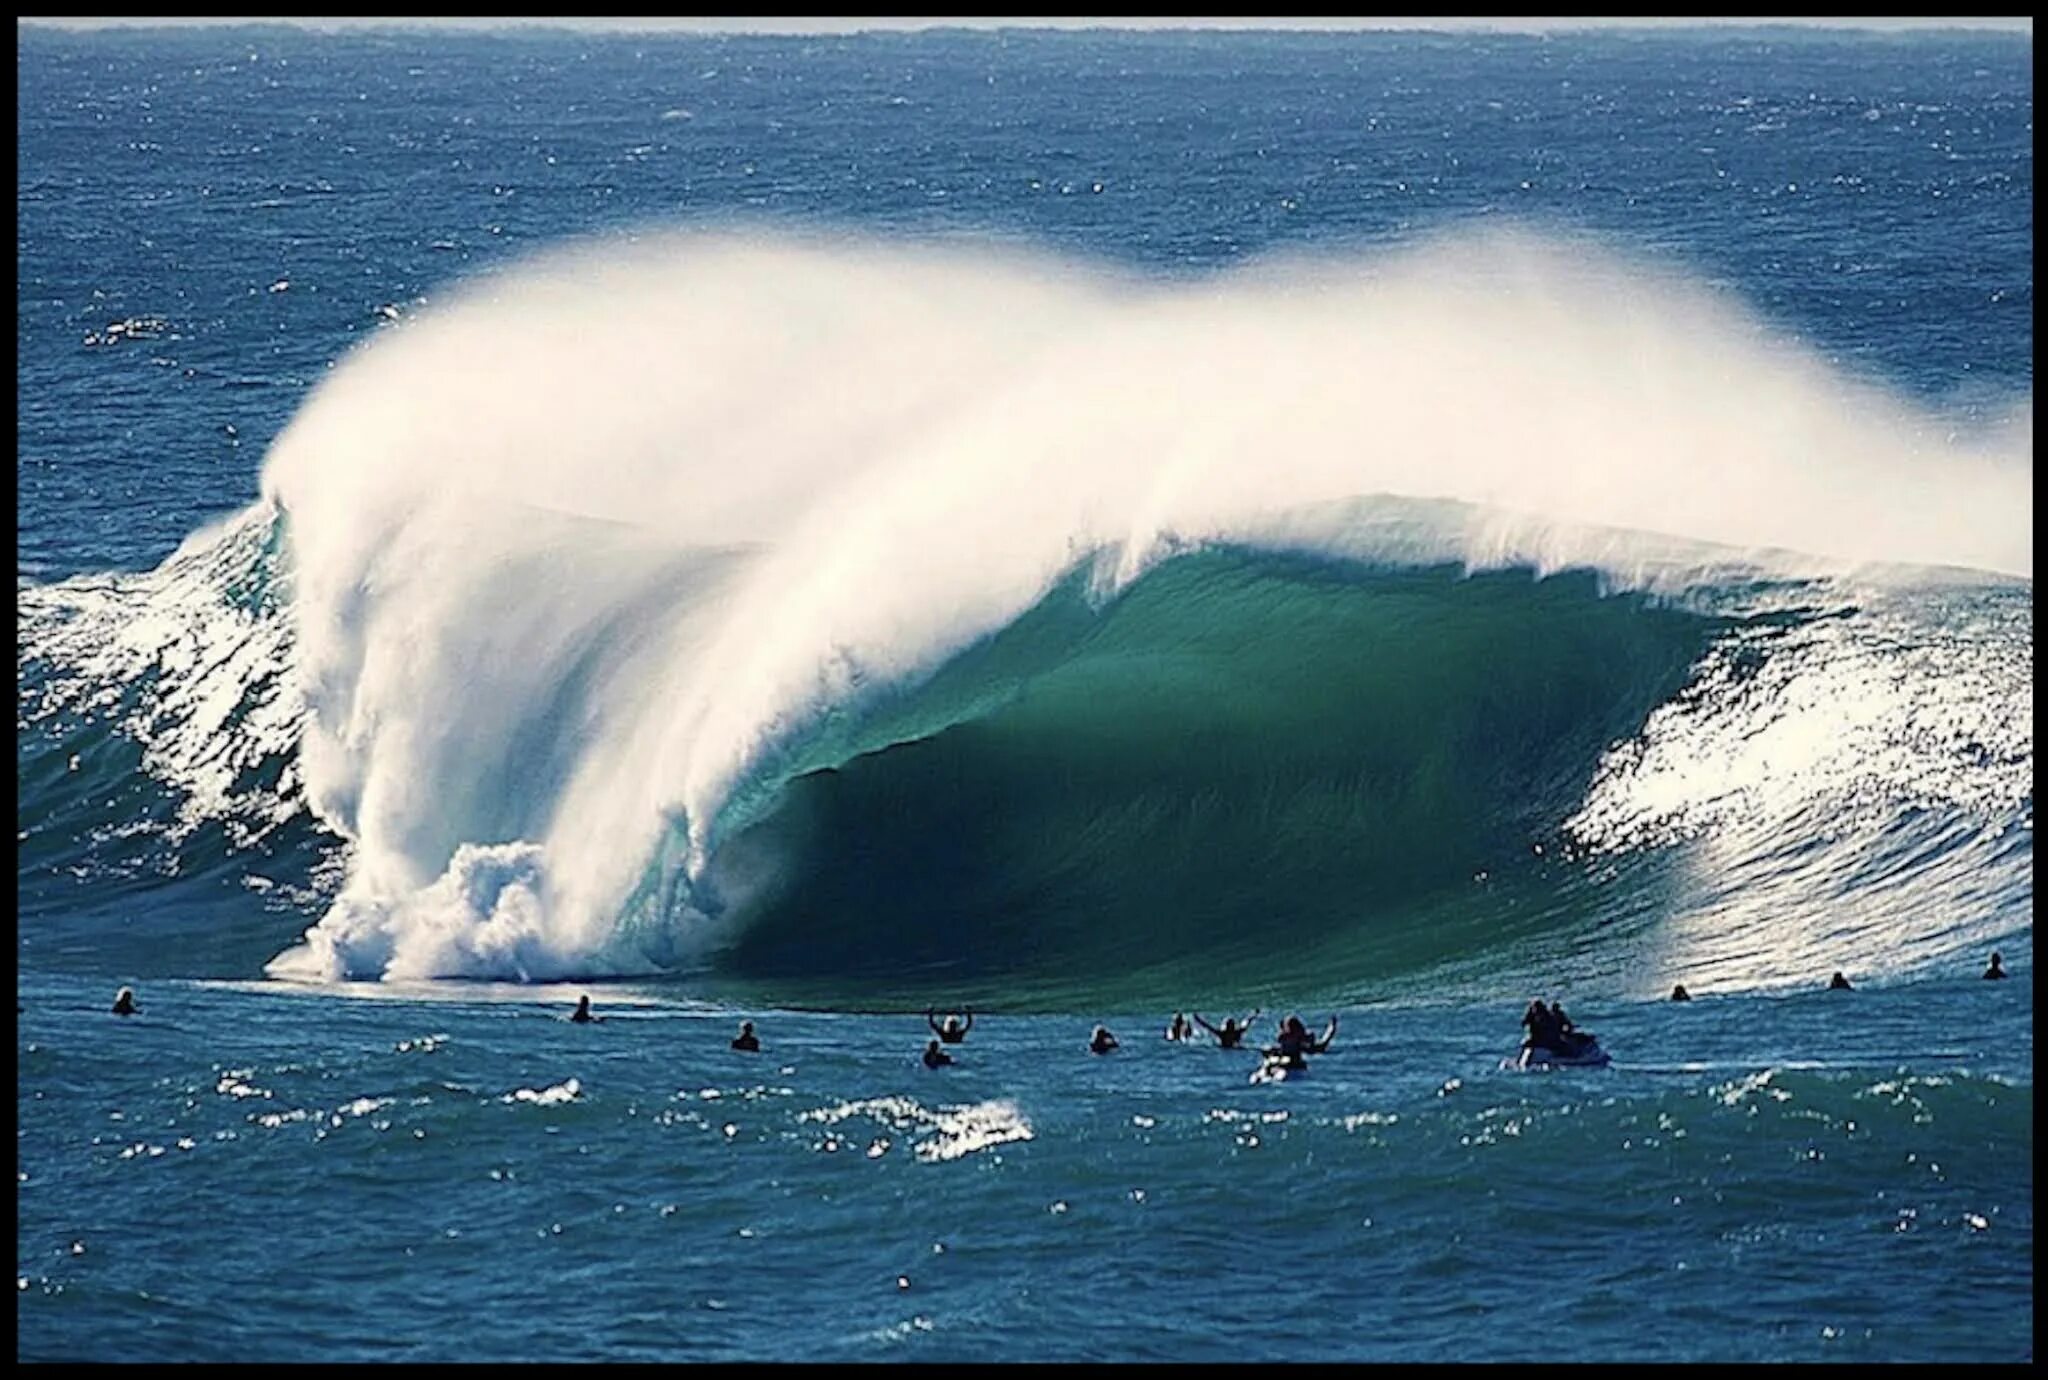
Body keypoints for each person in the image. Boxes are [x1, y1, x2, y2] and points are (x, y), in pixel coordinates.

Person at [1265, 1013, 1338, 1070]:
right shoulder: (1296, 1043)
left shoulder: (1296, 1044)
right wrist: (1332, 1027)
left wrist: (1332, 1027)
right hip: (1291, 1064)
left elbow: (1322, 1045)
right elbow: (1323, 1044)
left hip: (1290, 1064)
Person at [1193, 1009, 1261, 1049]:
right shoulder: (1237, 1032)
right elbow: (1246, 1022)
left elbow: (1208, 1027)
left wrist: (1198, 1019)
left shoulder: (1223, 1033)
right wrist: (1254, 1014)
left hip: (1224, 1048)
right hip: (1235, 1048)